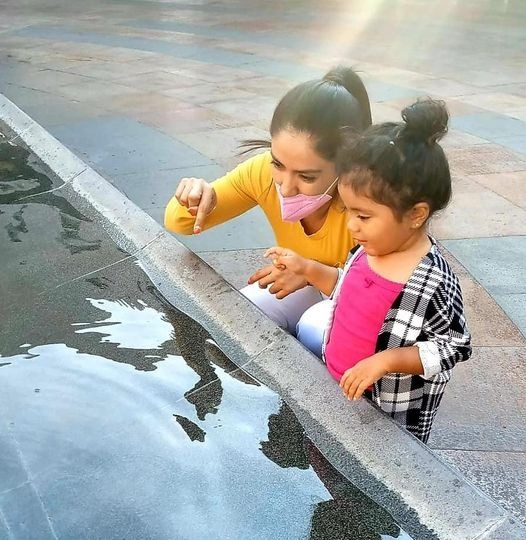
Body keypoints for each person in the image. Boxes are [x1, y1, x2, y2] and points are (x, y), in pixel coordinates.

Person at [265, 99, 472, 442]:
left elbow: (454, 345)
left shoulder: (432, 282)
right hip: (337, 381)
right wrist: (307, 268)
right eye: (348, 211)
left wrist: (387, 361)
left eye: (363, 215)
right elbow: (347, 291)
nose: (351, 225)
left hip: (386, 414)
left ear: (416, 214)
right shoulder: (367, 249)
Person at [164, 66, 371, 336]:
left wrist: (312, 272)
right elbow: (179, 223)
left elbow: (384, 289)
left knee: (317, 328)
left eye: (306, 176)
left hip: (359, 299)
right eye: (278, 164)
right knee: (241, 315)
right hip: (303, 282)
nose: (286, 188)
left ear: (346, 166)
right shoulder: (262, 173)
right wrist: (195, 197)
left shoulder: (371, 199)